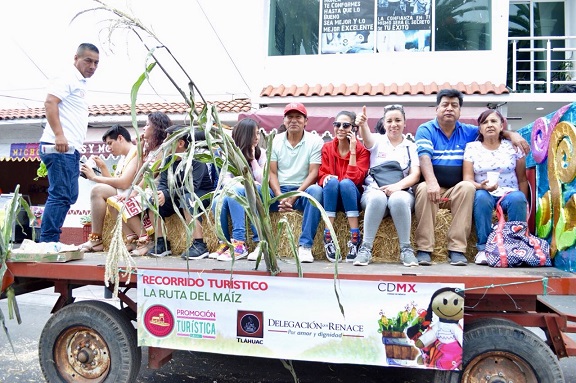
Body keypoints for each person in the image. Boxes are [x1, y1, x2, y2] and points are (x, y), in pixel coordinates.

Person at [414, 89, 530, 266]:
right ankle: (424, 249)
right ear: (437, 108)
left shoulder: (468, 131)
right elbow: (424, 157)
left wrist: (511, 134)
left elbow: (490, 130)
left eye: (455, 105)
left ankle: (457, 249)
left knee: (468, 187)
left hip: (456, 190)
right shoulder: (426, 129)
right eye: (445, 105)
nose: (449, 109)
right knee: (423, 188)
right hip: (433, 187)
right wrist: (431, 182)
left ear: (460, 111)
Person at [39, 43, 99, 243]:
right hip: (60, 146)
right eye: (88, 60)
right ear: (76, 58)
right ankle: (48, 242)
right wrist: (59, 135)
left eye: (96, 63)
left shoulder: (80, 83)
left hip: (71, 149)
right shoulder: (67, 77)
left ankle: (50, 238)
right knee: (61, 194)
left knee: (69, 195)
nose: (92, 66)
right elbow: (50, 102)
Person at [355, 105, 421, 266]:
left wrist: (397, 187)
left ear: (405, 123)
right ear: (384, 124)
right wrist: (363, 124)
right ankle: (365, 249)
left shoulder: (411, 146)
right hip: (374, 192)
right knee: (377, 197)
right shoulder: (377, 140)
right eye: (389, 121)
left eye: (398, 120)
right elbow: (367, 139)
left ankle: (406, 249)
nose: (394, 124)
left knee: (398, 199)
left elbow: (415, 174)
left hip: (402, 192)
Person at [463, 109, 529, 265]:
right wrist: (481, 186)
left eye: (493, 121)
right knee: (481, 197)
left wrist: (525, 203)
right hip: (483, 191)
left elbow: (522, 179)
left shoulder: (512, 147)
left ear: (501, 126)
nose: (489, 125)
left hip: (509, 192)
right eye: (485, 122)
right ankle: (483, 249)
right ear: (480, 129)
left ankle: (515, 248)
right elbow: (467, 179)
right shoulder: (472, 147)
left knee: (518, 198)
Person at [146, 125, 215, 259]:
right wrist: (160, 194)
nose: (164, 143)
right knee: (152, 202)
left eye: (168, 140)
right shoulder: (167, 161)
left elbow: (192, 186)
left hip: (200, 194)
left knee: (187, 198)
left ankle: (199, 245)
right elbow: (163, 183)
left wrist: (166, 193)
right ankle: (162, 243)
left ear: (181, 143)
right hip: (176, 195)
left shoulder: (196, 159)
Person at [269, 102, 324, 263]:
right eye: (290, 117)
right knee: (257, 191)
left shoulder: (315, 141)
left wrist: (293, 197)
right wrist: (280, 196)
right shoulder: (275, 140)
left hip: (302, 193)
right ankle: (260, 242)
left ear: (305, 121)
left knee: (316, 191)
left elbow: (314, 173)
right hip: (279, 192)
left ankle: (305, 246)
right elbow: (271, 172)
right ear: (284, 120)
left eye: (298, 117)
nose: (294, 120)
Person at [112, 112, 172, 255]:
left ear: (157, 128)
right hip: (142, 189)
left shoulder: (164, 149)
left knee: (126, 201)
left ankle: (146, 240)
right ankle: (133, 240)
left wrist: (132, 193)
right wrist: (140, 150)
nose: (144, 128)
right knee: (112, 202)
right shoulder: (149, 150)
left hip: (155, 189)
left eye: (147, 125)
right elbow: (138, 175)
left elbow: (150, 176)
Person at [210, 118, 267, 261]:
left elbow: (261, 181)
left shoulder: (262, 153)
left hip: (259, 192)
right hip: (236, 191)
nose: (257, 138)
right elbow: (225, 179)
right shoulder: (228, 154)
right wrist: (240, 185)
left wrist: (253, 160)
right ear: (244, 135)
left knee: (236, 190)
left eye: (258, 134)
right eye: (254, 134)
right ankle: (225, 242)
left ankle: (241, 242)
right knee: (217, 200)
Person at [318, 111, 369, 262]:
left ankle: (355, 237)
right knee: (332, 181)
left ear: (353, 128)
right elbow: (321, 176)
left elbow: (355, 180)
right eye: (337, 124)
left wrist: (353, 151)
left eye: (345, 125)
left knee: (346, 183)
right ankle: (328, 236)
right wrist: (327, 178)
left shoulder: (362, 151)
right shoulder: (327, 148)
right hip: (332, 197)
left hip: (351, 198)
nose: (340, 128)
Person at [79, 125, 139, 252]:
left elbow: (123, 183)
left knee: (97, 190)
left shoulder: (136, 152)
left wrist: (94, 177)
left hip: (135, 193)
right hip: (124, 192)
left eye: (110, 143)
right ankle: (97, 239)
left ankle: (96, 239)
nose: (109, 148)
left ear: (120, 138)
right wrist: (103, 167)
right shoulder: (124, 157)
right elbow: (115, 184)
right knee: (99, 190)